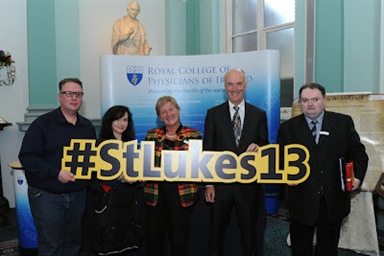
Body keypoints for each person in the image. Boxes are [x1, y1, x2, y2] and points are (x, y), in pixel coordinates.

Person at [277, 82, 369, 256]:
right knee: (300, 248)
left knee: (328, 248)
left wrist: (356, 177)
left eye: (315, 99)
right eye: (305, 100)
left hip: (333, 200)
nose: (310, 104)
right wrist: (284, 175)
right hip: (301, 199)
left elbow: (359, 154)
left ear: (324, 100)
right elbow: (280, 160)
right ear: (301, 102)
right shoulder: (288, 128)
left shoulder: (342, 122)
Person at [18, 78, 96, 256]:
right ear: (60, 97)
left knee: (73, 244)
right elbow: (27, 157)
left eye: (78, 94)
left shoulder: (87, 127)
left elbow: (92, 158)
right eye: (69, 93)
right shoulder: (42, 124)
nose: (74, 98)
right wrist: (56, 173)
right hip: (48, 196)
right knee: (51, 246)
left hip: (77, 195)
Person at [203, 68, 269, 256]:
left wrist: (259, 146)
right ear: (225, 87)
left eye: (238, 83)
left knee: (250, 235)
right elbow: (207, 150)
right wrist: (209, 183)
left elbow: (265, 145)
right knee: (216, 235)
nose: (234, 88)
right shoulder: (213, 114)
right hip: (221, 186)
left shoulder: (259, 115)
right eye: (230, 84)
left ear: (245, 85)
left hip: (249, 187)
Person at [81, 105, 143, 256]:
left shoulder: (132, 145)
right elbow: (93, 178)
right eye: (117, 119)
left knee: (126, 242)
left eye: (125, 120)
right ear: (109, 121)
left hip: (128, 199)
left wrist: (140, 177)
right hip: (108, 201)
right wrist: (119, 178)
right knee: (108, 244)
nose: (121, 123)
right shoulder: (100, 145)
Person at [144, 95, 202, 256]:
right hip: (155, 195)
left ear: (178, 110)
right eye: (163, 112)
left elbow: (198, 165)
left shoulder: (193, 134)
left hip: (181, 196)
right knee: (154, 241)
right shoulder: (151, 135)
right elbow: (146, 163)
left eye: (171, 109)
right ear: (159, 116)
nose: (168, 114)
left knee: (179, 241)